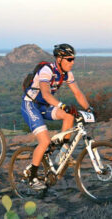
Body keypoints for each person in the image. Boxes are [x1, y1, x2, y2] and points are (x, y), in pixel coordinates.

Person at [21, 43, 94, 190]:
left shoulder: (67, 74)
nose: (72, 62)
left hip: (44, 106)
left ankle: (62, 153)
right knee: (45, 141)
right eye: (69, 59)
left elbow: (78, 93)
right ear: (59, 59)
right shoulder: (47, 71)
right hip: (31, 105)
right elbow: (46, 94)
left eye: (73, 59)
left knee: (69, 117)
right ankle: (32, 177)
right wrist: (62, 105)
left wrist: (88, 108)